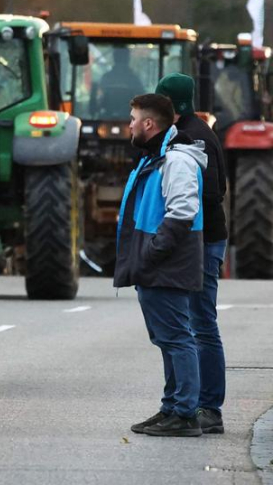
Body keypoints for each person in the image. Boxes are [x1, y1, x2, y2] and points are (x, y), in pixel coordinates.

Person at [117, 93, 207, 438]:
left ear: (149, 124)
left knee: (178, 339)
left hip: (166, 264)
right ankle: (172, 406)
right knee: (168, 339)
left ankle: (185, 414)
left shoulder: (176, 161)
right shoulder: (156, 158)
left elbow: (183, 212)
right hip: (156, 263)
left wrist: (151, 253)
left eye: (134, 119)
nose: (130, 125)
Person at [155, 72, 228, 435]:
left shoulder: (196, 136)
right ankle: (187, 403)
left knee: (201, 324)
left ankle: (209, 407)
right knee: (193, 324)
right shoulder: (191, 131)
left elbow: (211, 194)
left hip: (204, 242)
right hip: (200, 240)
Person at [97, 46, 145, 118]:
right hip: (129, 118)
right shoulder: (134, 79)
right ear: (128, 59)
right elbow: (142, 98)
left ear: (114, 58)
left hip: (107, 117)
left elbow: (99, 98)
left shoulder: (106, 77)